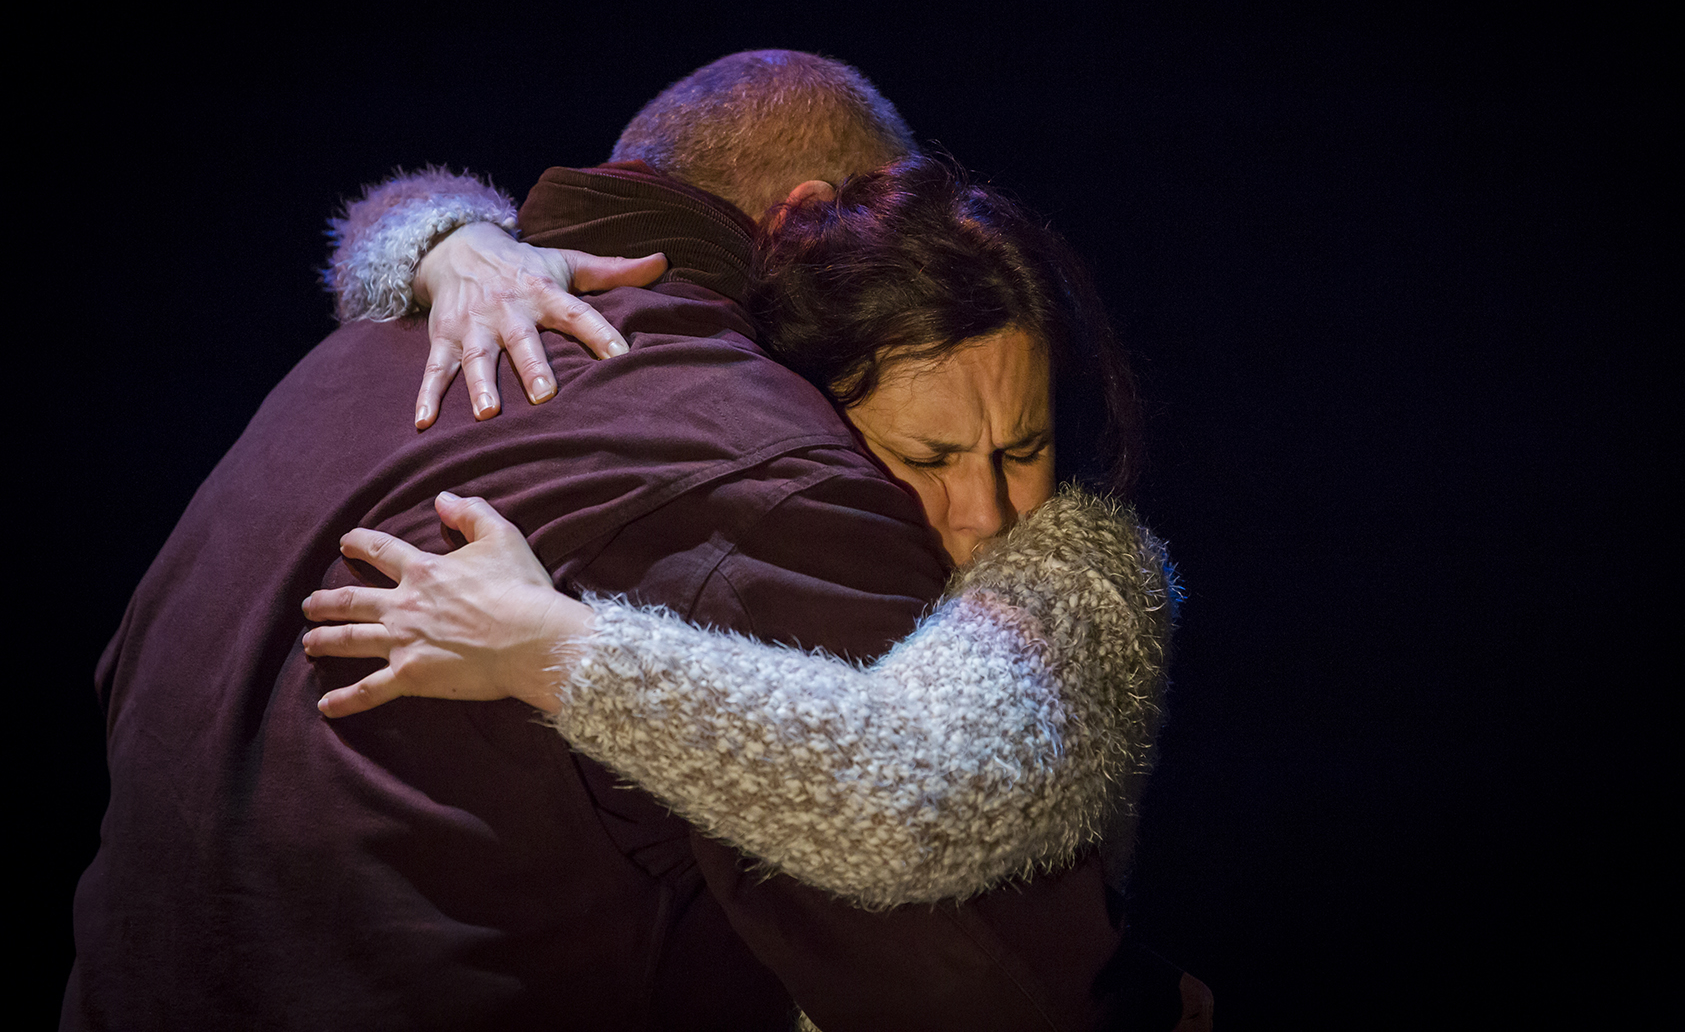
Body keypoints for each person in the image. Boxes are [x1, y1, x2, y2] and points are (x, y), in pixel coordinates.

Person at [66, 51, 1205, 1031]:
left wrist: (446, 236)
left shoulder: (333, 374)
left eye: (1021, 453)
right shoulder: (769, 461)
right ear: (815, 217)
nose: (980, 509)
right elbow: (983, 979)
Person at [304, 155, 1176, 911]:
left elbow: (911, 794)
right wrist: (453, 244)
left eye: (1023, 449)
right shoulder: (789, 470)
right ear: (813, 420)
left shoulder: (1083, 571)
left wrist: (544, 644)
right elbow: (400, 209)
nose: (989, 515)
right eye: (930, 457)